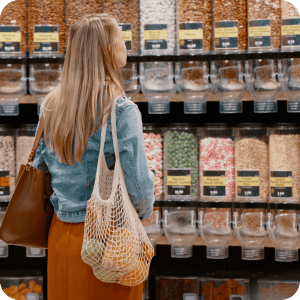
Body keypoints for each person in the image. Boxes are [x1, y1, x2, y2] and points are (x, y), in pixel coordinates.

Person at [32, 13, 155, 300]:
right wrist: (144, 212)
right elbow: (139, 185)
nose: (125, 45)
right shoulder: (121, 110)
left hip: (61, 235)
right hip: (108, 241)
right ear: (108, 51)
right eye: (121, 40)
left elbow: (40, 166)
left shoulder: (51, 104)